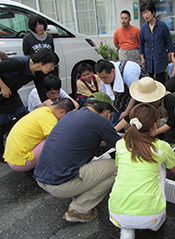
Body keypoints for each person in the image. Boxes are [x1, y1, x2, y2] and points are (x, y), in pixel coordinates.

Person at [33, 92, 120, 223]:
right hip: (60, 184)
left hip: (42, 177)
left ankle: (78, 191)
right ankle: (79, 209)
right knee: (115, 167)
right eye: (109, 113)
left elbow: (88, 140)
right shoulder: (101, 121)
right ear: (104, 110)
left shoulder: (71, 114)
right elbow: (121, 147)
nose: (110, 116)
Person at [108, 103, 175, 239]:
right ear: (155, 126)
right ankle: (154, 225)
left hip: (116, 214)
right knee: (161, 166)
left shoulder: (120, 144)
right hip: (151, 217)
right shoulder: (161, 146)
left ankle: (127, 230)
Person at [0, 48, 59, 161]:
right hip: (3, 91)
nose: (52, 69)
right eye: (51, 65)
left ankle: (24, 147)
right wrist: (3, 86)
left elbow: (43, 97)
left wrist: (58, 109)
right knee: (1, 125)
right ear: (42, 62)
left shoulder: (37, 74)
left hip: (11, 95)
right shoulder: (20, 63)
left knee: (25, 118)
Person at [4, 98, 75, 172]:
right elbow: (59, 141)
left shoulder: (42, 110)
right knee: (54, 140)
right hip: (21, 162)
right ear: (62, 112)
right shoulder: (50, 119)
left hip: (11, 157)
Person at [115, 77, 175, 145]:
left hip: (167, 124)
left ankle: (173, 142)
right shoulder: (141, 100)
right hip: (153, 123)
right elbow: (130, 117)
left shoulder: (168, 99)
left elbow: (172, 121)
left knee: (161, 123)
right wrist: (114, 130)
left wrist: (155, 132)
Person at [95, 59, 148, 126]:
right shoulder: (104, 77)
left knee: (133, 111)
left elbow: (135, 94)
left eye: (105, 77)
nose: (103, 80)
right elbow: (106, 96)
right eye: (100, 78)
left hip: (139, 86)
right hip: (125, 85)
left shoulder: (129, 75)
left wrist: (126, 111)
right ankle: (116, 129)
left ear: (113, 71)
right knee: (117, 107)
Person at [139, 2, 174, 85]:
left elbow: (169, 41)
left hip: (160, 57)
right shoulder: (143, 27)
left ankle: (161, 97)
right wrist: (142, 58)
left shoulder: (162, 26)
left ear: (153, 12)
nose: (145, 15)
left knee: (160, 81)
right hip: (148, 58)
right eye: (143, 13)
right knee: (149, 81)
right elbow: (141, 44)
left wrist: (170, 54)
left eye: (147, 13)